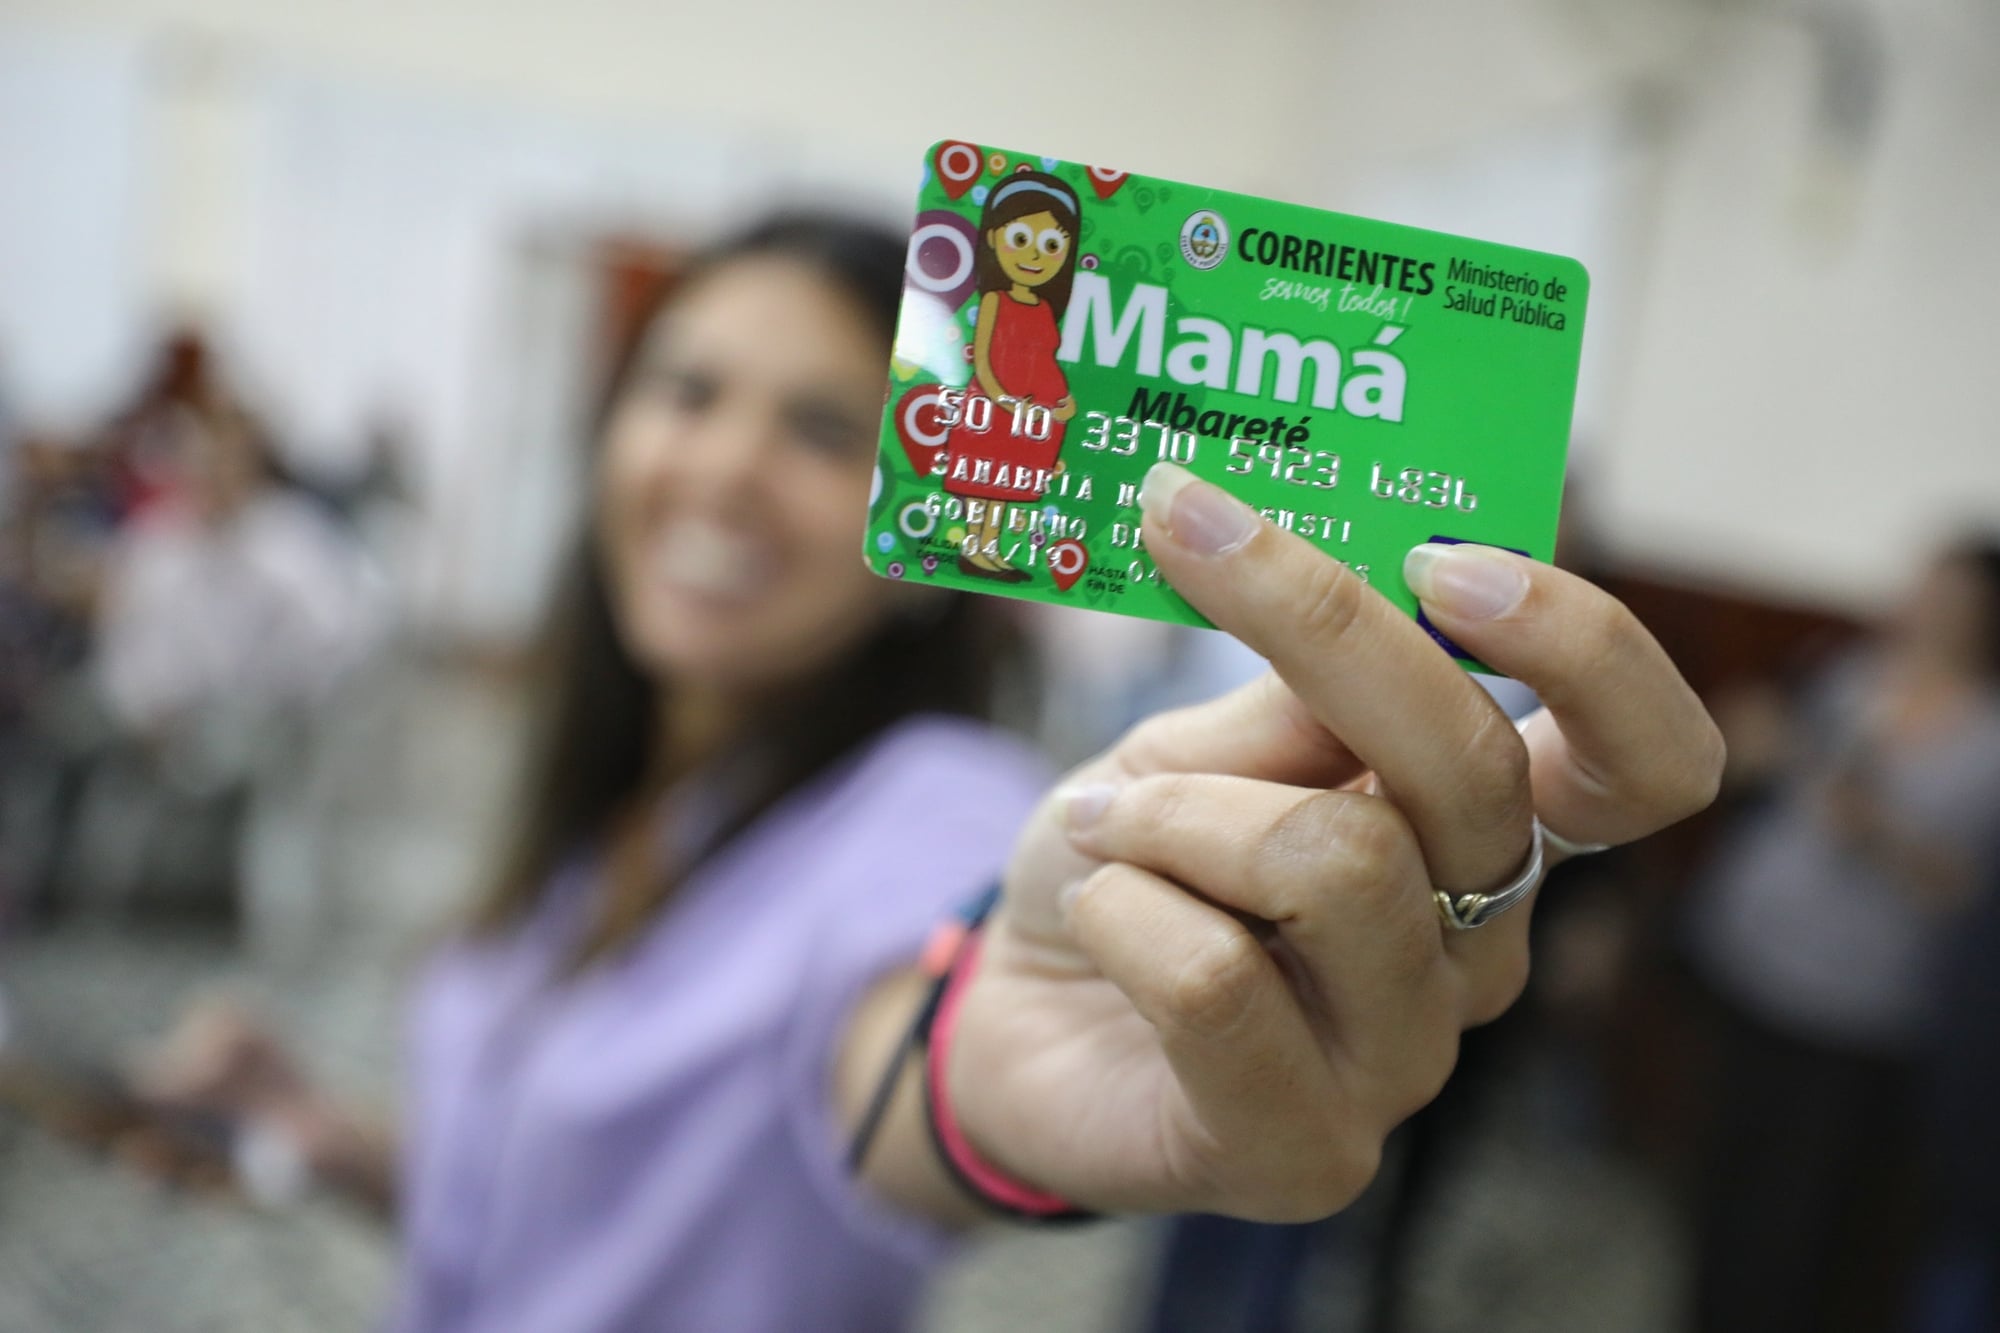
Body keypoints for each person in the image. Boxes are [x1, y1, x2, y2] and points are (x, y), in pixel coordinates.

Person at [135, 213, 1721, 1333]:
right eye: (688, 391)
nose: (725, 466)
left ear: (927, 533)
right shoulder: (610, 796)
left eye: (825, 430)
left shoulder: (927, 804)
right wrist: (324, 1137)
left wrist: (994, 1076)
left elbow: (934, 1034)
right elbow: (574, 1216)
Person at [1687, 539, 2000, 1333]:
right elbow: (1781, 770)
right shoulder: (1848, 672)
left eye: (1951, 594)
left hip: (1857, 1009)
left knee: (1798, 1215)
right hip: (1753, 961)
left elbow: (1973, 892)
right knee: (1717, 1181)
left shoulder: (1987, 740)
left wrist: (1881, 833)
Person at [941, 171, 1080, 580]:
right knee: (982, 483)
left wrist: (1062, 402)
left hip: (1033, 418)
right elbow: (983, 359)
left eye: (1051, 245)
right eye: (1020, 239)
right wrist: (1003, 400)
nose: (1035, 255)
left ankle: (991, 549)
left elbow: (1045, 359)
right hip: (994, 410)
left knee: (1005, 488)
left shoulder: (1044, 308)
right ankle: (974, 548)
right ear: (992, 237)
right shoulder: (994, 300)